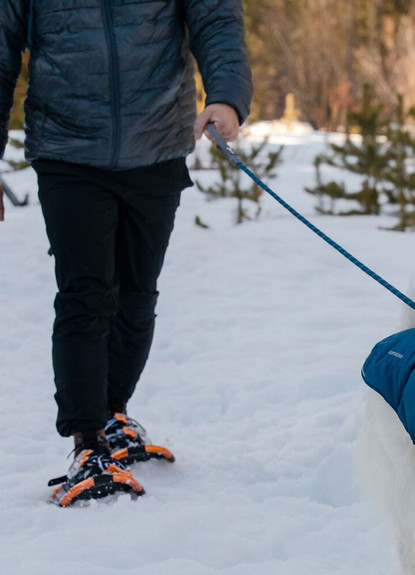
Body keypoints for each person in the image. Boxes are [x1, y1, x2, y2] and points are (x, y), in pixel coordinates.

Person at [0, 0, 253, 505]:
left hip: (155, 144)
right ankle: (87, 442)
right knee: (86, 292)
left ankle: (113, 413)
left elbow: (215, 18)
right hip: (68, 148)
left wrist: (225, 95)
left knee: (137, 295)